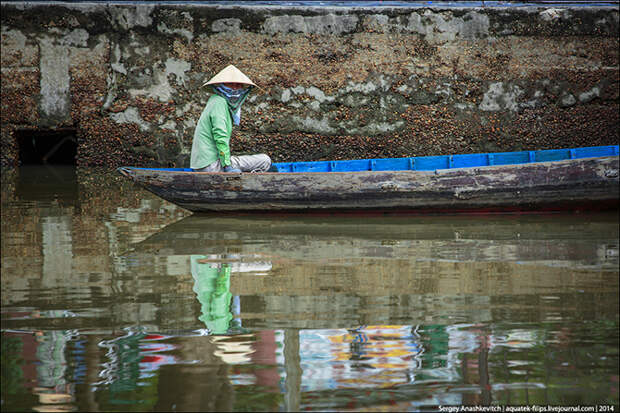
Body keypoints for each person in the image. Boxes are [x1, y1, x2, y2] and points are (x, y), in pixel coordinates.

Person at [190, 65, 273, 173]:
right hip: (210, 166)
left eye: (238, 85)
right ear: (221, 85)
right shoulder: (219, 102)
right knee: (265, 160)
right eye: (230, 84)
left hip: (204, 164)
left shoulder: (216, 101)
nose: (234, 87)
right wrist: (227, 166)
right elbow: (220, 136)